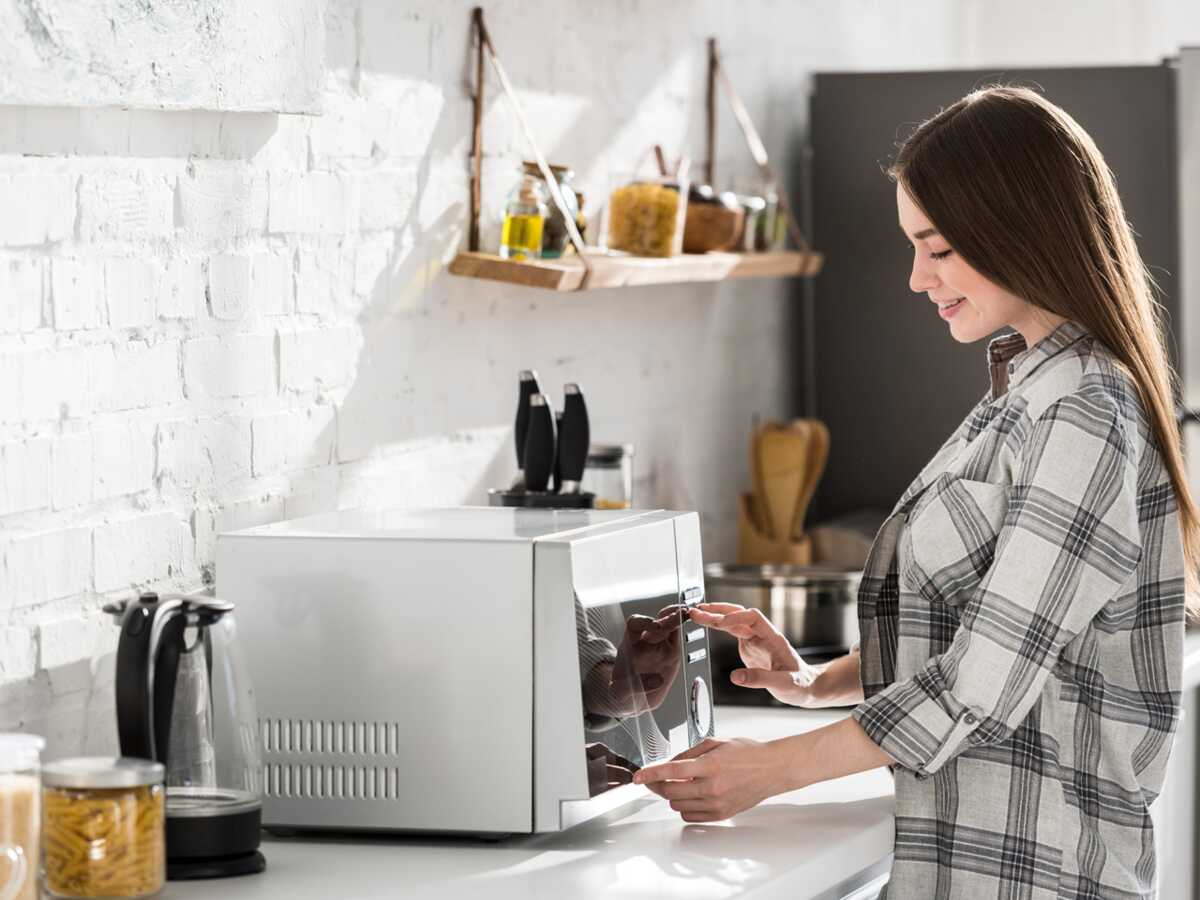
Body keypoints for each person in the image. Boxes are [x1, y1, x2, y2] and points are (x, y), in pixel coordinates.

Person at [634, 86, 1197, 899]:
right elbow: (985, 627)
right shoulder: (1026, 391)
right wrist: (810, 680)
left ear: (1018, 228)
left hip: (1040, 874)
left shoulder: (1084, 414)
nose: (914, 278)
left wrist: (769, 771)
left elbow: (985, 682)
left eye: (936, 248)